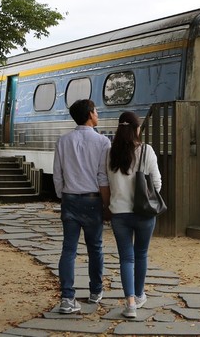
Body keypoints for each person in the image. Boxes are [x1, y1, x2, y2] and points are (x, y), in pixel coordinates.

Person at [53, 99, 111, 314]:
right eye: (96, 111)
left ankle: (67, 298)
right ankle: (96, 291)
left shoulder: (63, 141)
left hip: (69, 198)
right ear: (89, 114)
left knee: (69, 249)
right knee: (95, 248)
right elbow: (102, 177)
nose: (98, 114)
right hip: (92, 199)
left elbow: (57, 174)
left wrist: (63, 195)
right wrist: (106, 203)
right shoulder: (103, 142)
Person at [103, 111, 162, 319]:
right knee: (141, 254)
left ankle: (130, 304)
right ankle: (139, 295)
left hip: (119, 213)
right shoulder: (147, 151)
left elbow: (106, 182)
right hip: (144, 212)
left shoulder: (111, 153)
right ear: (137, 129)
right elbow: (157, 184)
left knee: (126, 258)